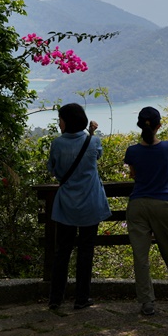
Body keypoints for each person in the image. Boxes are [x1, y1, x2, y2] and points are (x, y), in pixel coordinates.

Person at [124, 106, 168, 316]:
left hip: (137, 205)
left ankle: (147, 302)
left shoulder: (132, 151)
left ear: (139, 125)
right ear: (159, 126)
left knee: (141, 256)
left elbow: (134, 175)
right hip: (162, 203)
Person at [48, 103, 112, 310]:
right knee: (86, 251)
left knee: (62, 252)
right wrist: (90, 133)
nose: (59, 123)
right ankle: (81, 298)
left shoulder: (57, 144)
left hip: (66, 205)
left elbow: (54, 169)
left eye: (61, 120)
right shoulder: (93, 141)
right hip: (90, 204)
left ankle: (56, 298)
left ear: (67, 122)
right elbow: (96, 154)